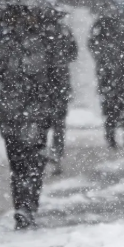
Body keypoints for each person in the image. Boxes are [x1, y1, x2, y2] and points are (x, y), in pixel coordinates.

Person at [0, 11, 59, 229]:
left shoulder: (7, 42)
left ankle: (25, 206)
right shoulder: (40, 40)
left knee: (25, 163)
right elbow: (55, 74)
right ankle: (26, 206)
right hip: (24, 111)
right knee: (26, 163)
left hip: (25, 111)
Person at [89, 9, 124, 148]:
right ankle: (112, 135)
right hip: (110, 73)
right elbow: (93, 46)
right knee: (111, 106)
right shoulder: (101, 25)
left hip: (122, 73)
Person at [45, 22, 78, 172]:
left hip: (41, 83)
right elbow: (73, 53)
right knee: (58, 123)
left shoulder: (36, 30)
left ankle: (47, 154)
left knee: (45, 122)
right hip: (59, 82)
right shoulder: (64, 29)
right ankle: (56, 153)